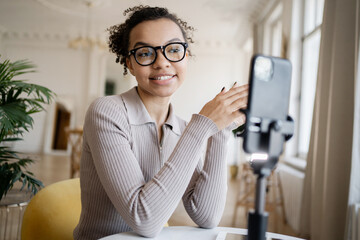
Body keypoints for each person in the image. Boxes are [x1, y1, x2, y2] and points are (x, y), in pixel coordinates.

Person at [73, 5, 248, 239]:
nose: (162, 62)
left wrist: (220, 132)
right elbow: (143, 220)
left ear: (186, 56)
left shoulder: (184, 129)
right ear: (130, 64)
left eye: (174, 49)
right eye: (145, 53)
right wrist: (203, 125)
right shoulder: (106, 112)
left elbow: (207, 216)